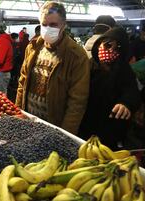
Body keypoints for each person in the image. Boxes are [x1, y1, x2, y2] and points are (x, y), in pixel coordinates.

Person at [15, 1, 90, 135]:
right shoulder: (33, 48)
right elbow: (22, 83)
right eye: (44, 24)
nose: (48, 28)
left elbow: (77, 103)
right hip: (29, 122)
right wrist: (18, 116)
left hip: (54, 128)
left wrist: (64, 136)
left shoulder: (76, 56)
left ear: (63, 25)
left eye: (53, 25)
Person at [78, 27, 140, 149]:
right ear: (99, 44)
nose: (111, 50)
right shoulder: (88, 65)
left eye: (117, 48)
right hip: (85, 124)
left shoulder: (124, 71)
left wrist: (125, 103)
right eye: (108, 45)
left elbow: (131, 91)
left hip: (111, 128)